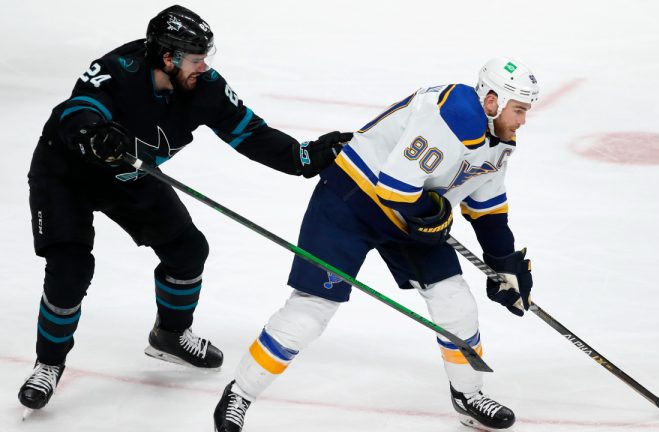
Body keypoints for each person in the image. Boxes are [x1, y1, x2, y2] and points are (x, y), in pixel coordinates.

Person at [18, 5, 351, 414]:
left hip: (129, 176)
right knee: (70, 269)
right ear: (167, 57)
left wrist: (304, 158)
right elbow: (79, 109)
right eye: (195, 59)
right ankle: (48, 364)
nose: (203, 66)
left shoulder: (206, 87)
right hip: (65, 175)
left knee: (187, 250)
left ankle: (170, 335)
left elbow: (251, 133)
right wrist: (93, 134)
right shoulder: (118, 69)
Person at [213, 57, 540, 431]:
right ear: (491, 100)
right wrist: (432, 212)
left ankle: (468, 395)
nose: (522, 120)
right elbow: (396, 187)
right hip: (350, 201)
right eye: (519, 109)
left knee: (456, 303)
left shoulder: (499, 139)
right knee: (310, 312)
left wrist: (503, 261)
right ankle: (240, 392)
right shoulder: (454, 114)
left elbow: (487, 207)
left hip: (410, 218)